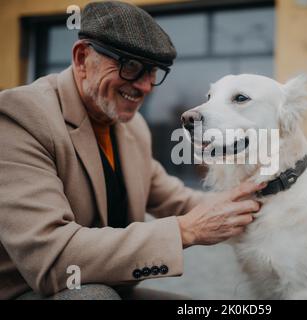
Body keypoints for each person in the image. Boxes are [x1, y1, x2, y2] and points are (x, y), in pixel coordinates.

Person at [0, 1, 264, 300]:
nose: (145, 86)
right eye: (131, 67)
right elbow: (53, 257)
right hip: (35, 290)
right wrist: (185, 231)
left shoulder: (132, 126)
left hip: (111, 286)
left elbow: (177, 200)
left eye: (154, 71)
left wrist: (264, 203)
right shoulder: (18, 117)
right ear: (82, 57)